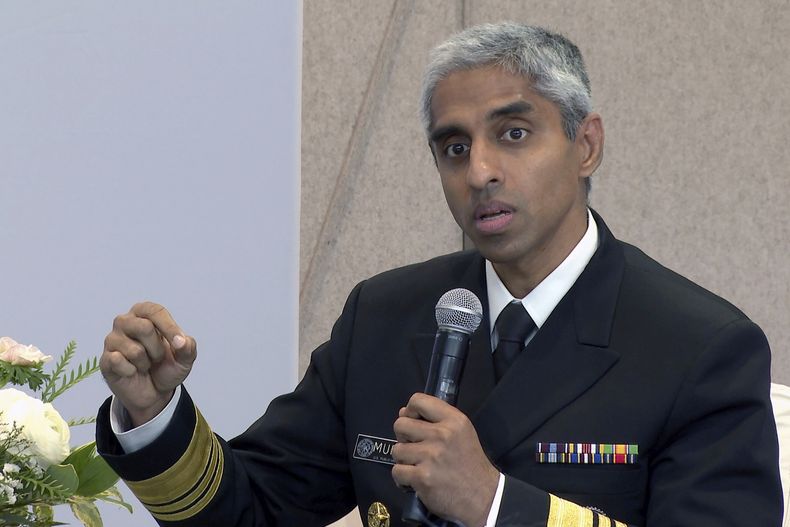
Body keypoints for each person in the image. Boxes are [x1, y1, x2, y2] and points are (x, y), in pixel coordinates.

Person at [96, 22, 782, 527]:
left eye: (512, 133)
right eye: (453, 146)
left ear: (586, 145)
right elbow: (254, 510)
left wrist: (495, 503)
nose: (479, 170)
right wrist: (155, 415)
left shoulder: (698, 347)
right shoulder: (386, 315)